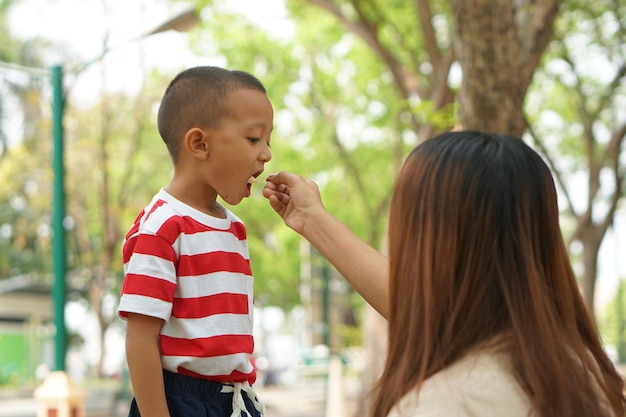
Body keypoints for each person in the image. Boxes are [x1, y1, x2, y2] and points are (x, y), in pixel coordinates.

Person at [262, 131, 626, 417]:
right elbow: (422, 306)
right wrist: (313, 220)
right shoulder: (583, 375)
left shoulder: (444, 403)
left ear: (430, 247)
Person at [117, 66, 273, 417]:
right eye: (254, 139)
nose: (266, 154)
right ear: (199, 143)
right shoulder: (162, 226)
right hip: (180, 402)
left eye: (268, 140)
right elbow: (141, 338)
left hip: (235, 400)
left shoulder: (234, 229)